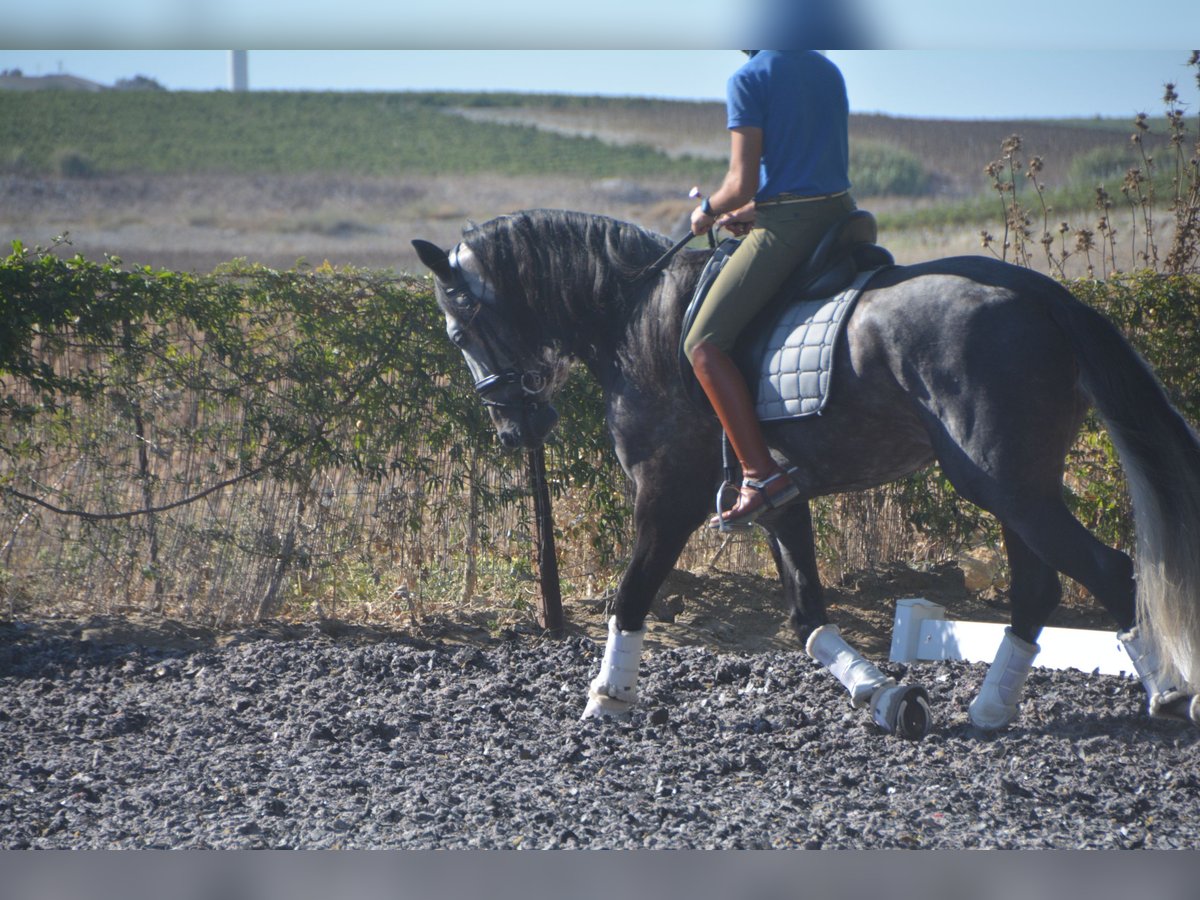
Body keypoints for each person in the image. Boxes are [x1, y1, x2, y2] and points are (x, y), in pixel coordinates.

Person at [684, 50, 856, 529]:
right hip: (843, 216)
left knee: (703, 344)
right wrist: (754, 211)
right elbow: (810, 169)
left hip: (792, 227)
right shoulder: (825, 67)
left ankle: (761, 475)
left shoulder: (748, 78)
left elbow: (738, 183)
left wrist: (708, 212)